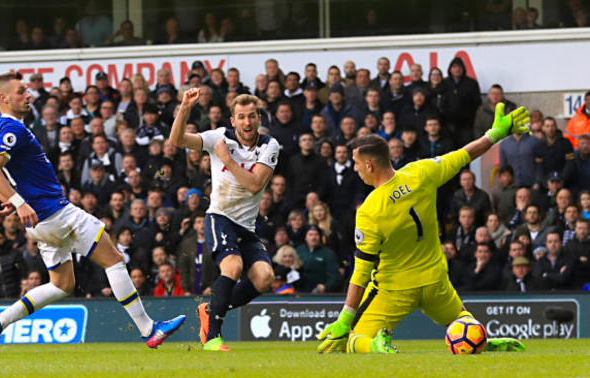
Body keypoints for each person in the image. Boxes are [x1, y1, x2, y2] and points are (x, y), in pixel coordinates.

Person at [0, 72, 185, 354]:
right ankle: (149, 329)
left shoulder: (1, 129)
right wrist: (17, 202)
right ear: (4, 98)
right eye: (22, 91)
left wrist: (11, 201)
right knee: (113, 259)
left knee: (62, 284)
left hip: (40, 222)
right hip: (55, 213)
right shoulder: (12, 130)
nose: (29, 95)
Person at [317, 102, 529, 354]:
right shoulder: (421, 172)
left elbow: (361, 271)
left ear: (369, 165)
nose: (355, 168)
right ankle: (478, 339)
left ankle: (376, 347)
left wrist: (344, 319)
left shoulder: (369, 211)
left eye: (356, 163)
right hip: (435, 282)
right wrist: (496, 133)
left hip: (394, 288)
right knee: (460, 318)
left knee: (350, 339)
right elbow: (465, 154)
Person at [169, 88, 280, 351]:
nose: (247, 122)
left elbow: (254, 185)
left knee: (265, 278)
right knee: (233, 267)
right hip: (220, 217)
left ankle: (210, 309)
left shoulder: (269, 145)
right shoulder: (219, 136)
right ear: (233, 120)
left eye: (252, 116)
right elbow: (177, 140)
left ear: (259, 118)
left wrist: (226, 159)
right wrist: (185, 107)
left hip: (247, 226)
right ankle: (213, 338)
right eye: (241, 117)